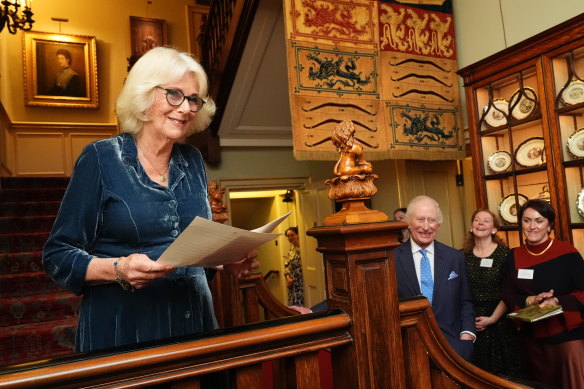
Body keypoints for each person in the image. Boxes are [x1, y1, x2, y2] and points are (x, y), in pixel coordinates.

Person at [42, 46, 259, 354]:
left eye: (193, 99)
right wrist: (118, 268)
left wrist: (226, 261)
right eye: (174, 94)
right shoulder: (102, 158)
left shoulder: (193, 160)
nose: (185, 108)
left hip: (195, 325)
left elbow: (195, 250)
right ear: (144, 94)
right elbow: (57, 257)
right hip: (125, 330)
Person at [501, 199, 584, 389]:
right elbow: (508, 293)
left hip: (567, 337)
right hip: (532, 339)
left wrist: (556, 300)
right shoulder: (512, 256)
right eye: (527, 220)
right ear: (520, 223)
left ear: (549, 224)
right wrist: (529, 300)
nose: (532, 226)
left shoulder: (568, 253)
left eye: (539, 221)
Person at [394, 195, 475, 361]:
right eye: (420, 219)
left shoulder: (455, 257)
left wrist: (467, 336)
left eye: (431, 220)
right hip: (407, 348)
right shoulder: (392, 258)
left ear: (438, 224)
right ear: (408, 222)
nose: (426, 227)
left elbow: (465, 300)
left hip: (452, 348)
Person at [463, 209, 525, 378]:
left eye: (486, 221)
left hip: (500, 321)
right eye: (477, 220)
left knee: (504, 374)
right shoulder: (462, 256)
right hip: (472, 322)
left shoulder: (506, 255)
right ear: (471, 227)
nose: (481, 223)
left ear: (494, 229)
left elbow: (510, 291)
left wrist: (492, 318)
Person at [284, 226, 305, 307]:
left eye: (292, 235)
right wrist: (288, 278)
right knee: (293, 307)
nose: (290, 237)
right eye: (288, 236)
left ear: (298, 235)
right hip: (292, 284)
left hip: (301, 283)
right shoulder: (291, 250)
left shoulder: (302, 249)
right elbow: (286, 265)